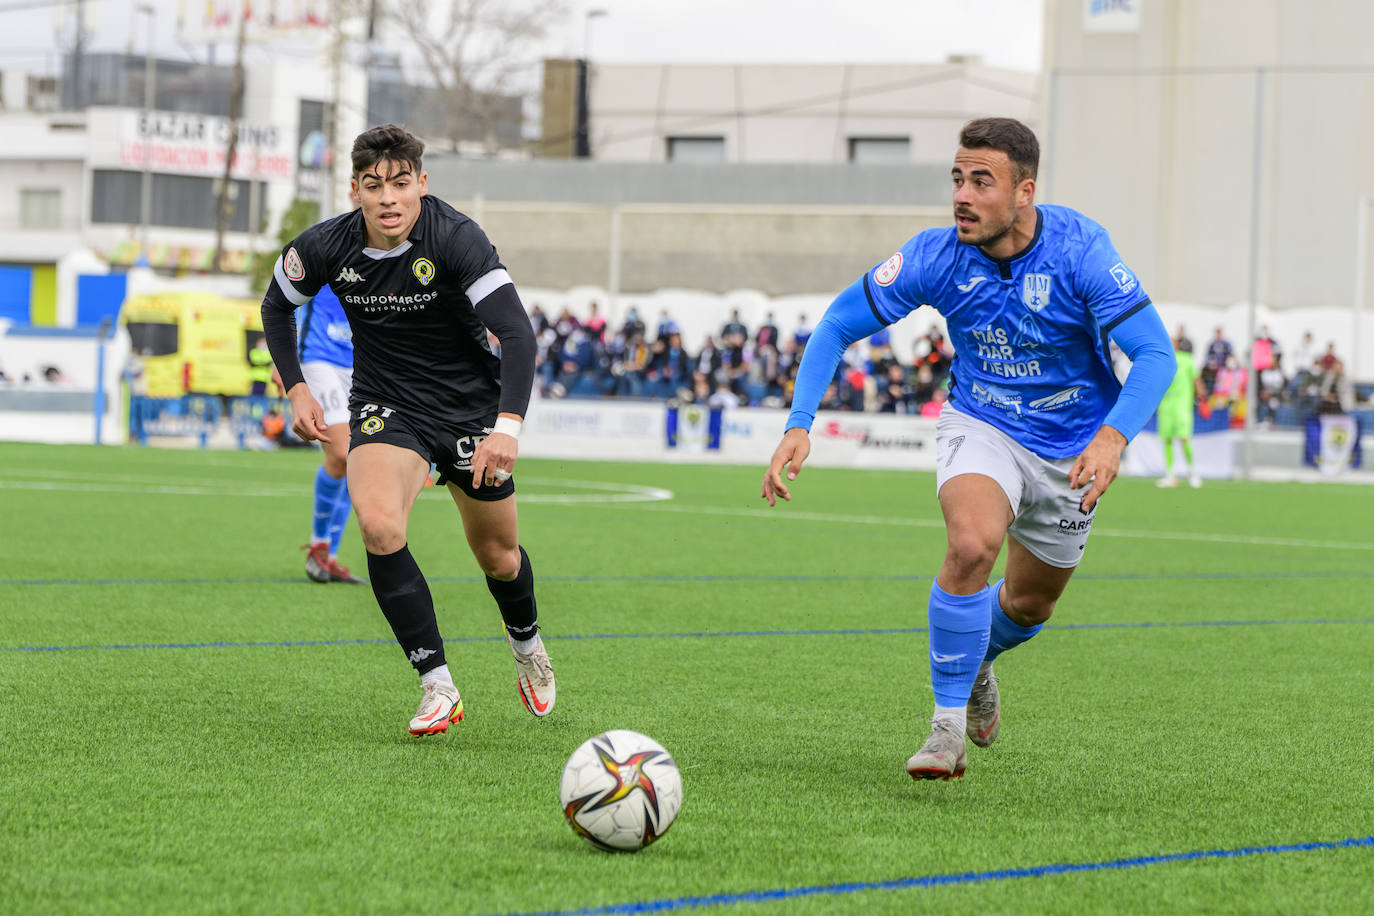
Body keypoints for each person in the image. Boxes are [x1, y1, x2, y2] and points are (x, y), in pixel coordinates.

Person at [761, 118, 1174, 782]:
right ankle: (945, 728)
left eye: (982, 181)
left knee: (1030, 605)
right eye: (957, 178)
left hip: (1074, 448)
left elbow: (1156, 354)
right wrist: (800, 421)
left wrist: (1112, 436)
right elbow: (839, 321)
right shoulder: (935, 256)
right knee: (971, 546)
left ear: (1024, 192)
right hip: (981, 425)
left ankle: (978, 653)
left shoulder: (1081, 251)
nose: (963, 195)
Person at [259, 124, 554, 737]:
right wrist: (296, 387)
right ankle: (437, 686)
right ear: (355, 190)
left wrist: (508, 426)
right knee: (379, 523)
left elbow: (519, 335)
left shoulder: (457, 238)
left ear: (421, 183)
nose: (387, 198)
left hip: (471, 409)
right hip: (387, 405)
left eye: (399, 184)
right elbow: (275, 305)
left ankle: (526, 644)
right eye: (373, 186)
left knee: (499, 558)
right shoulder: (325, 246)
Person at [289, 284, 367, 585]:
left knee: (358, 461)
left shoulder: (384, 253)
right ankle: (319, 544)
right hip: (318, 358)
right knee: (340, 452)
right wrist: (281, 362)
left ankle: (327, 557)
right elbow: (284, 302)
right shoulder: (325, 246)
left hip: (361, 366)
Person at [1156, 330, 1204, 488]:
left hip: (1182, 406)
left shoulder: (1186, 360)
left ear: (1176, 344)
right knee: (1167, 440)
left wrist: (1203, 399)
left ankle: (1192, 473)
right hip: (1166, 407)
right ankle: (1170, 476)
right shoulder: (1162, 360)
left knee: (1184, 438)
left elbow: (1196, 380)